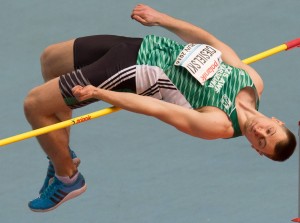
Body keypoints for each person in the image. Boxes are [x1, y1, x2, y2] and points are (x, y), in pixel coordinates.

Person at [24, 4, 296, 212]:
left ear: (255, 150)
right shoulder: (254, 82)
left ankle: (67, 178)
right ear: (277, 120)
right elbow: (210, 43)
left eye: (261, 142)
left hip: (132, 70)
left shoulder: (218, 124)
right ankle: (58, 149)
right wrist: (161, 19)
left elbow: (153, 107)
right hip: (143, 46)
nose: (259, 132)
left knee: (35, 105)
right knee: (50, 61)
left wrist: (100, 93)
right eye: (269, 131)